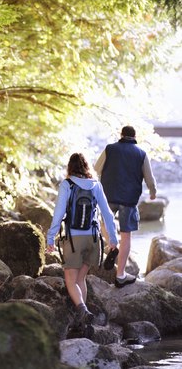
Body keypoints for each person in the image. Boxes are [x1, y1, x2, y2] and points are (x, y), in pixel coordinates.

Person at [46, 153, 118, 327]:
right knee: (80, 280)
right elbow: (107, 214)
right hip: (93, 239)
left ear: (70, 167)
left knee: (71, 280)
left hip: (73, 239)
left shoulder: (67, 184)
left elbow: (58, 214)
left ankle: (83, 310)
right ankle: (83, 323)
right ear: (87, 167)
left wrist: (50, 237)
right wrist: (113, 238)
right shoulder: (96, 185)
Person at [94, 125, 157, 288]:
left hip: (109, 195)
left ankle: (112, 245)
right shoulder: (141, 153)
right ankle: (120, 275)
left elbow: (96, 169)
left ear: (121, 135)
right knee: (127, 235)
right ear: (135, 136)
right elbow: (149, 178)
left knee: (104, 223)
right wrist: (152, 191)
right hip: (129, 199)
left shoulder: (110, 149)